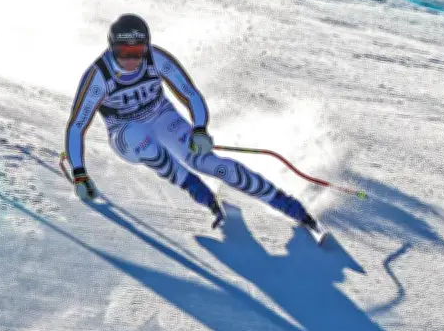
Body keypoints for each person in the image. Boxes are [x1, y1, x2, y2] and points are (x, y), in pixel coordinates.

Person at [63, 13, 321, 233]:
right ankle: (197, 190)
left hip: (162, 116)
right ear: (111, 49)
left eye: (137, 52)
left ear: (146, 47)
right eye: (123, 52)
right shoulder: (99, 76)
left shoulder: (157, 59)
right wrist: (79, 174)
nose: (131, 60)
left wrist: (200, 129)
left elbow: (191, 95)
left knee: (209, 162)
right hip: (124, 133)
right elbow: (77, 126)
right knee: (139, 137)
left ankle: (288, 205)